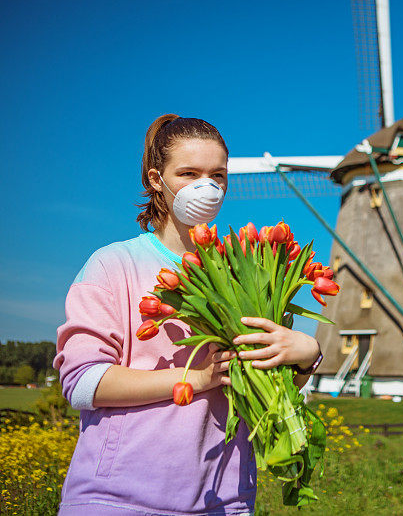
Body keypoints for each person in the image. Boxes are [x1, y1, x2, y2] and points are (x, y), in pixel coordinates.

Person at [53, 114, 323, 515]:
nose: (207, 187)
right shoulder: (114, 265)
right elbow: (83, 384)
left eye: (218, 175)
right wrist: (198, 378)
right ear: (155, 179)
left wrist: (305, 354)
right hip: (120, 498)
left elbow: (261, 380)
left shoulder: (245, 267)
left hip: (225, 500)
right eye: (188, 173)